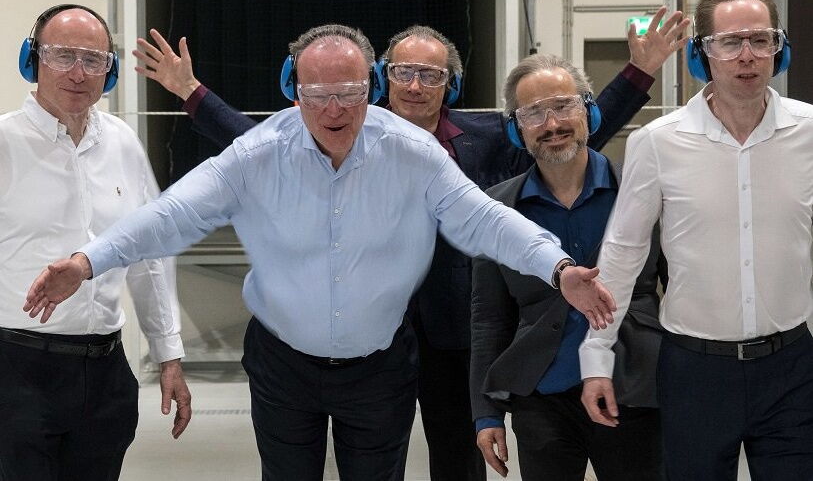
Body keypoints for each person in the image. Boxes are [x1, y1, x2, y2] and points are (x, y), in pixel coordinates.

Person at [25, 24, 615, 481]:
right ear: (294, 90)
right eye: (318, 94)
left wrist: (556, 265)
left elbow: (485, 217)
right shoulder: (258, 152)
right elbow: (173, 214)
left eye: (350, 94)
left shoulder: (411, 152)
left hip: (380, 369)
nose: (334, 111)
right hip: (283, 366)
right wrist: (87, 261)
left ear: (371, 89)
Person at [579, 0, 813, 480]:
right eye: (730, 42)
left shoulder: (810, 133)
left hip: (793, 366)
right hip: (695, 370)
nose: (746, 55)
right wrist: (596, 356)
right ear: (701, 55)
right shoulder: (658, 143)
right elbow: (623, 252)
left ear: (780, 48)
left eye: (760, 39)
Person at [0, 4, 190, 481]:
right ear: (32, 59)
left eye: (94, 59)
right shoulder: (4, 143)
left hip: (106, 372)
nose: (78, 72)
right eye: (62, 55)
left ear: (111, 71)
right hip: (16, 370)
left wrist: (169, 354)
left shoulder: (123, 142)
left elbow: (149, 254)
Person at [470, 53, 668, 480]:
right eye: (534, 113)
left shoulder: (642, 193)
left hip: (634, 389)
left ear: (590, 111)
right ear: (515, 129)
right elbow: (489, 320)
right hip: (543, 398)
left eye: (564, 106)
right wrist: (486, 415)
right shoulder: (497, 211)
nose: (552, 123)